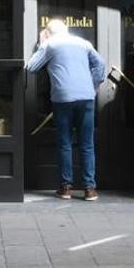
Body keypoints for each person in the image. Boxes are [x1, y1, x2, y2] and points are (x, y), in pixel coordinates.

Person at [25, 18, 107, 201]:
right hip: (86, 97)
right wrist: (92, 85)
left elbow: (31, 67)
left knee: (65, 143)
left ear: (48, 32)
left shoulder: (50, 45)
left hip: (62, 98)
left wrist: (42, 43)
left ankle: (66, 188)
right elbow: (100, 64)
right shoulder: (83, 43)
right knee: (87, 144)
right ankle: (90, 189)